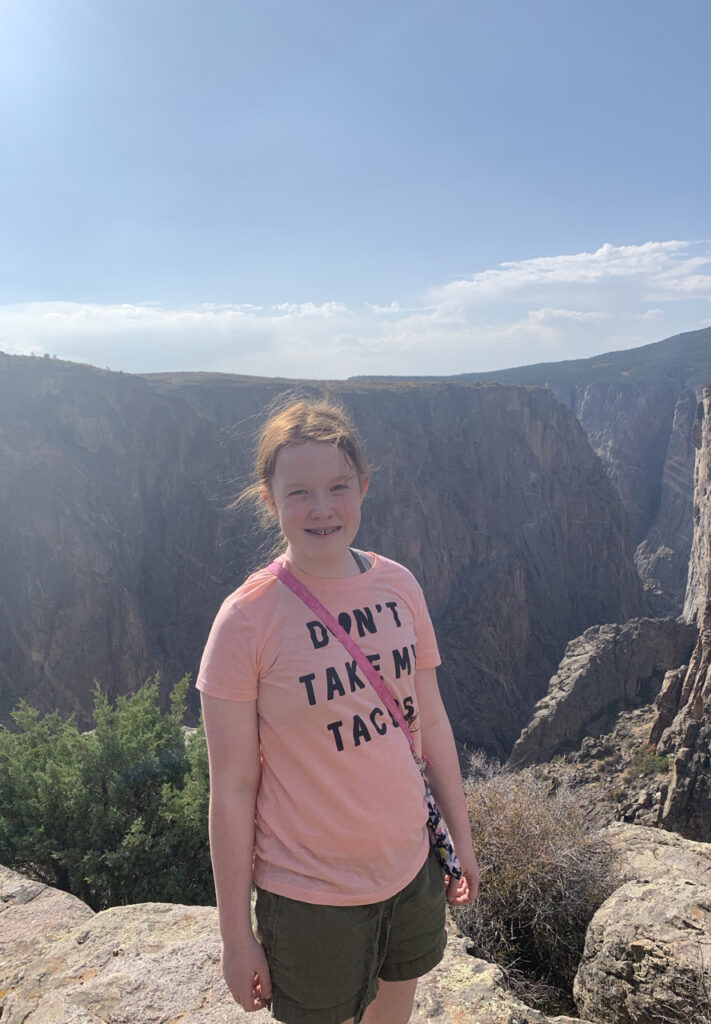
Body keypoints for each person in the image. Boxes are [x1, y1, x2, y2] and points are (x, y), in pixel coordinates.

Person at [197, 397, 479, 1024]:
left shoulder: (399, 585)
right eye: (299, 492)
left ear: (364, 487)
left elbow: (430, 725)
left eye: (337, 487)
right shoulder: (245, 621)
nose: (322, 508)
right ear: (270, 499)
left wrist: (462, 842)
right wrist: (236, 936)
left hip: (410, 872)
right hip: (309, 898)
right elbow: (233, 788)